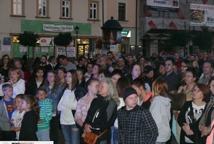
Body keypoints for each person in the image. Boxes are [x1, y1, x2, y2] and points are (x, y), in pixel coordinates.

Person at [83, 78, 119, 143]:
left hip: (101, 136)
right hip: (90, 133)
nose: (99, 87)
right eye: (99, 85)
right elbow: (89, 115)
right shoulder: (95, 100)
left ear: (109, 90)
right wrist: (85, 124)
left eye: (102, 86)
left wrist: (92, 128)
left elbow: (107, 122)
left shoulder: (111, 103)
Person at [57, 70, 78, 144]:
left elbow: (76, 106)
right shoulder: (64, 90)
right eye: (66, 76)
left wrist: (65, 104)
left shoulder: (77, 90)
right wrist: (67, 104)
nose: (67, 78)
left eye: (70, 76)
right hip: (63, 120)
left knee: (74, 142)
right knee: (67, 142)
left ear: (74, 77)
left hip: (73, 121)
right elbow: (59, 107)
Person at [150, 77, 171, 143]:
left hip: (157, 136)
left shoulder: (157, 101)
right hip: (164, 134)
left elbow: (155, 122)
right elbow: (168, 118)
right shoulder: (166, 100)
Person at [199, 77, 214, 143]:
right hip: (206, 132)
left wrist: (209, 128)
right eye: (210, 86)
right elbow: (205, 114)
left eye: (213, 85)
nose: (210, 88)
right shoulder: (211, 99)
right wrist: (201, 125)